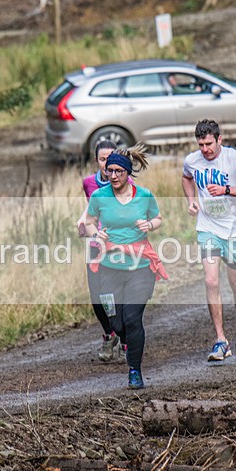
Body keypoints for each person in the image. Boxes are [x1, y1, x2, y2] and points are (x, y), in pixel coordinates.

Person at [84, 144, 167, 389]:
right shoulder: (99, 197)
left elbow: (158, 218)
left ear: (128, 172)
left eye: (119, 171)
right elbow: (89, 222)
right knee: (116, 322)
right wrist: (96, 235)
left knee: (132, 319)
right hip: (109, 266)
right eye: (110, 170)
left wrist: (149, 225)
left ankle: (134, 371)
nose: (114, 175)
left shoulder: (144, 195)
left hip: (140, 265)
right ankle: (123, 339)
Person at [182, 119, 236, 363]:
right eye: (201, 145)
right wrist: (191, 200)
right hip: (208, 229)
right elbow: (186, 177)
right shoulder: (192, 160)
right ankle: (221, 340)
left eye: (209, 144)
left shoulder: (234, 159)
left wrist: (227, 190)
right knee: (210, 281)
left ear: (220, 140)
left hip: (235, 230)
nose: (205, 149)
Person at [77, 140, 128, 363]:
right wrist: (83, 223)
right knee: (97, 297)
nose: (107, 164)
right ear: (97, 160)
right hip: (96, 245)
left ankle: (125, 340)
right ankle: (109, 335)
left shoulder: (127, 181)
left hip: (118, 244)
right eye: (102, 159)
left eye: (111, 159)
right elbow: (90, 208)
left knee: (120, 295)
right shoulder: (89, 183)